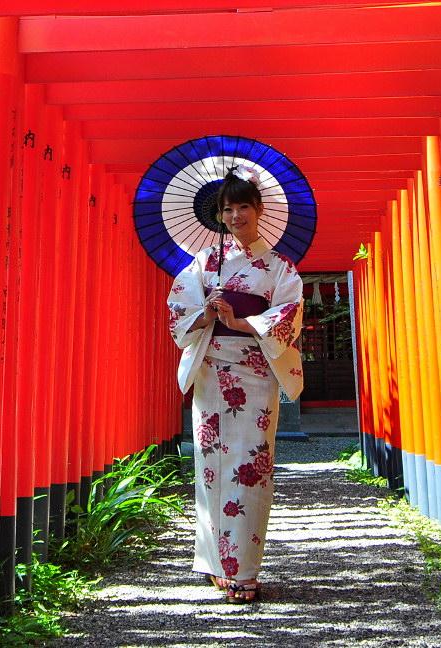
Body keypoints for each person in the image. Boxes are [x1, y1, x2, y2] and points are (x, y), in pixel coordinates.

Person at [166, 166, 304, 603]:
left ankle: (242, 569)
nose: (236, 215)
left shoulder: (279, 267)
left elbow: (288, 316)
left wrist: (241, 321)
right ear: (220, 215)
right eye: (228, 209)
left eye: (244, 206)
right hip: (211, 370)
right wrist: (207, 312)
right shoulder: (204, 263)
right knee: (210, 465)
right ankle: (214, 561)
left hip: (254, 372)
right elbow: (179, 314)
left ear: (259, 210)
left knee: (250, 466)